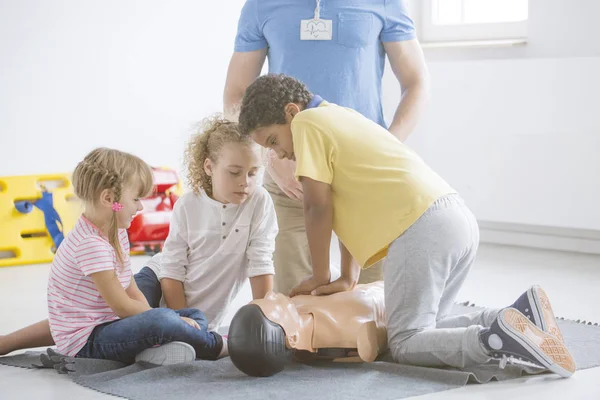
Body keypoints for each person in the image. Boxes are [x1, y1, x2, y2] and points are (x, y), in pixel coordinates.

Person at [236, 73, 576, 378]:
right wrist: (348, 276)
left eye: (273, 142)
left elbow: (317, 206)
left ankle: (496, 341)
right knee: (431, 331)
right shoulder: (338, 116)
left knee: (405, 342)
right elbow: (342, 203)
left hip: (420, 229)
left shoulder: (306, 125)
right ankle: (521, 316)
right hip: (453, 216)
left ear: (291, 113)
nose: (278, 155)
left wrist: (321, 275)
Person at [0, 116, 278, 361]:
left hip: (109, 316)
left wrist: (167, 319)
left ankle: (167, 340)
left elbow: (128, 288)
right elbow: (123, 305)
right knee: (166, 321)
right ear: (110, 200)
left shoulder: (116, 232)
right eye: (136, 199)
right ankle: (214, 345)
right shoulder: (93, 245)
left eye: (254, 173)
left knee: (183, 320)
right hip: (97, 331)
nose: (141, 207)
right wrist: (164, 320)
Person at [223, 0, 430, 295]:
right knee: (296, 301)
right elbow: (236, 92)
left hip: (365, 175)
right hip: (289, 172)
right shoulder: (260, 5)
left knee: (374, 303)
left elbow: (417, 82)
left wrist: (386, 146)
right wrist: (270, 156)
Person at [228, 281, 566, 378]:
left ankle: (501, 328)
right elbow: (367, 346)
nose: (274, 297)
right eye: (273, 307)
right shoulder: (320, 339)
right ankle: (500, 328)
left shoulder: (299, 309)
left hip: (384, 297)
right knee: (424, 333)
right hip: (387, 306)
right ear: (290, 338)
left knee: (421, 336)